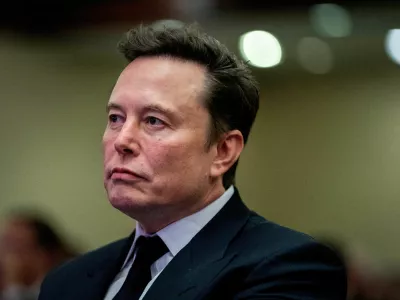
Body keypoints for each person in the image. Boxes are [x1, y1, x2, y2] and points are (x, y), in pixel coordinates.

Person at [38, 22, 347, 300]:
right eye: (116, 118)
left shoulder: (289, 269)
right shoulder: (66, 281)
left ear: (223, 151)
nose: (122, 141)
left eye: (154, 121)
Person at [0, 211, 77, 300]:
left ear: (43, 255)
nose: (4, 257)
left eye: (13, 247)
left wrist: (14, 288)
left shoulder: (67, 288)